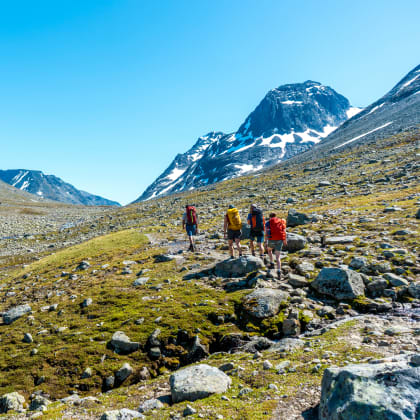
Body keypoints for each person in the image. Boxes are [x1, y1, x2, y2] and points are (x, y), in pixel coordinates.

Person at [265, 213, 287, 279]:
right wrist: (284, 240)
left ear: (270, 217)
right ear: (275, 216)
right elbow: (284, 231)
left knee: (269, 250)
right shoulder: (281, 221)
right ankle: (279, 271)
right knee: (278, 257)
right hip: (280, 240)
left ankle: (272, 263)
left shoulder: (268, 223)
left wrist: (266, 242)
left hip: (272, 239)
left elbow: (266, 233)